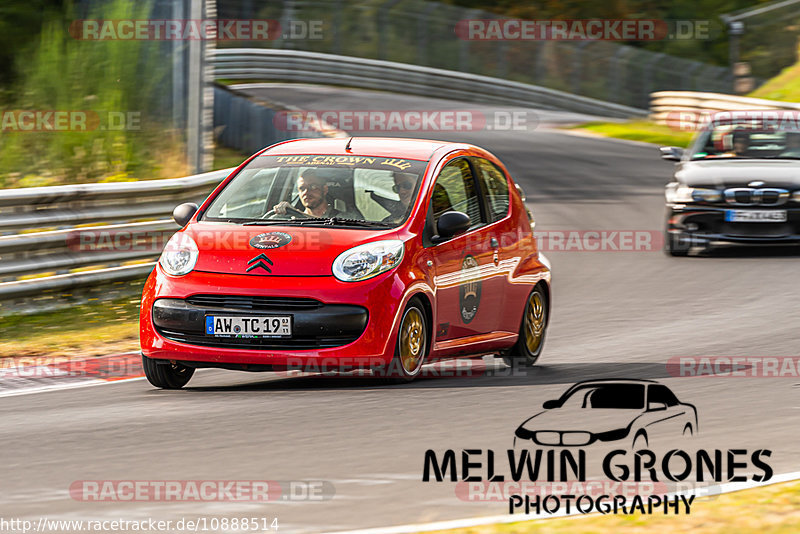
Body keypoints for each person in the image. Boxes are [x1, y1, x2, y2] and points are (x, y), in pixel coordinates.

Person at [273, 169, 355, 218]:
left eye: (312, 187)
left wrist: (299, 214)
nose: (306, 192)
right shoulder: (289, 220)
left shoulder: (344, 219)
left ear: (325, 189)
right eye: (302, 188)